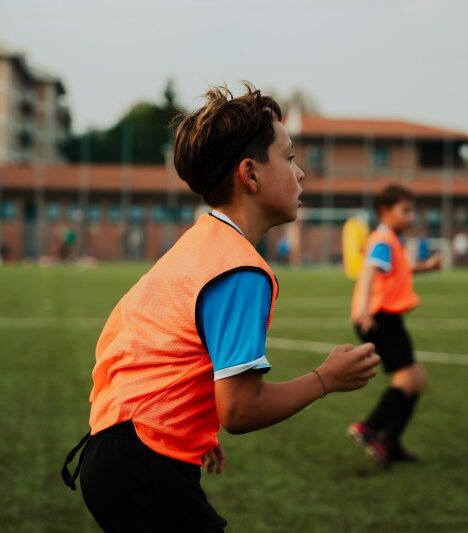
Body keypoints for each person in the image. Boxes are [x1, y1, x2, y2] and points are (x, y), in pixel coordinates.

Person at [62, 83, 380, 532]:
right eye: (289, 157)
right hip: (142, 461)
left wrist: (189, 424)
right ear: (250, 174)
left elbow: (158, 350)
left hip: (118, 447)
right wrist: (325, 379)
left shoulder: (203, 241)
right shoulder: (240, 270)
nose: (301, 173)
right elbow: (241, 411)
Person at [349, 184, 441, 466]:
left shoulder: (390, 240)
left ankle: (390, 442)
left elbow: (399, 270)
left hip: (387, 317)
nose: (411, 216)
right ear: (385, 211)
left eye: (412, 211)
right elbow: (368, 271)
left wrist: (426, 267)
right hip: (379, 317)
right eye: (405, 210)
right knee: (408, 379)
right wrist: (363, 309)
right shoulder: (382, 240)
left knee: (417, 381)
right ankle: (369, 428)